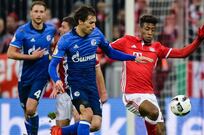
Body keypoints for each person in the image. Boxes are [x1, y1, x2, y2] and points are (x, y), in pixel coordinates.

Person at [48, 6, 152, 135]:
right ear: (80, 21)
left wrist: (133, 58)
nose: (93, 26)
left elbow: (111, 52)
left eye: (95, 22)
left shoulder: (96, 34)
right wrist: (57, 80)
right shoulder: (66, 40)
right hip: (75, 84)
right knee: (86, 114)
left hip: (91, 85)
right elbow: (52, 65)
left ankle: (60, 132)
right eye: (90, 22)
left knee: (96, 124)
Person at [110, 15, 204, 135]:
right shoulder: (127, 41)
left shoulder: (157, 48)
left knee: (161, 131)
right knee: (153, 113)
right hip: (131, 95)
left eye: (152, 30)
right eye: (147, 29)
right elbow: (105, 48)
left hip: (149, 95)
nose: (149, 33)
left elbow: (182, 53)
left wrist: (198, 40)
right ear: (140, 29)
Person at [7, 1, 56, 135]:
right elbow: (10, 53)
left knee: (30, 108)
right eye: (36, 11)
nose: (39, 14)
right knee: (27, 112)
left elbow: (56, 45)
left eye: (41, 12)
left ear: (45, 14)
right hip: (24, 77)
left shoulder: (51, 30)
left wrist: (53, 55)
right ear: (30, 13)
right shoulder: (22, 31)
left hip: (41, 77)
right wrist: (32, 57)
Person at [51, 16, 108, 127]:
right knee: (62, 125)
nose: (60, 30)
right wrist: (55, 84)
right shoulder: (60, 45)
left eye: (63, 27)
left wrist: (103, 92)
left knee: (81, 117)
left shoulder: (84, 45)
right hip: (63, 91)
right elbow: (54, 67)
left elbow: (97, 68)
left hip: (79, 88)